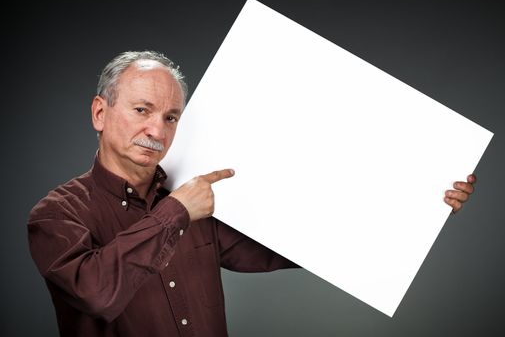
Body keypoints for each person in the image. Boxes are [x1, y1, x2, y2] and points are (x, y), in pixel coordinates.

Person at [28, 51, 476, 337]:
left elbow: (289, 244)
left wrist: (420, 207)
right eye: (142, 110)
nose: (156, 130)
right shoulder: (55, 215)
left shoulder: (192, 196)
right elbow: (95, 294)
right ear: (100, 113)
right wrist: (175, 212)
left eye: (170, 117)